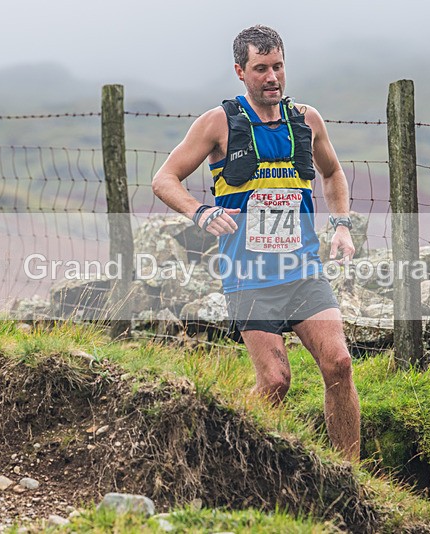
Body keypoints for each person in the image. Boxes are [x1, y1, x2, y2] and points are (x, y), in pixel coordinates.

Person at [151, 24, 360, 460]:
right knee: (275, 382)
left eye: (278, 66)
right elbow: (164, 179)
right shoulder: (218, 122)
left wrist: (341, 224)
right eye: (261, 68)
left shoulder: (306, 119)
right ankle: (224, 458)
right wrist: (200, 211)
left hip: (302, 270)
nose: (272, 78)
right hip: (248, 275)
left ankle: (352, 479)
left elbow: (333, 172)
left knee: (339, 364)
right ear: (240, 71)